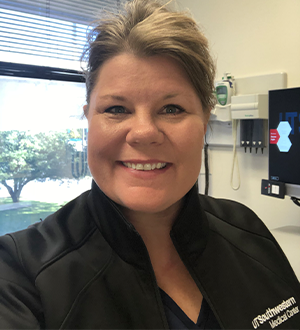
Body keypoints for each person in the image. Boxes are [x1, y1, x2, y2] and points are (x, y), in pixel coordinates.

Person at [0, 0, 299, 329]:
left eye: (171, 109)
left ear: (203, 124)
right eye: (116, 108)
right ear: (89, 122)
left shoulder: (247, 230)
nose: (143, 133)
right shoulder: (20, 273)